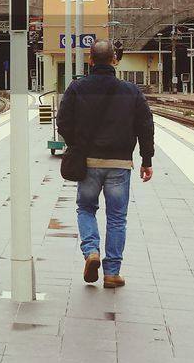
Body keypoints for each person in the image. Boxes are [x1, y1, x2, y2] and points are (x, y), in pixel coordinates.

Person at [56, 40, 155, 288]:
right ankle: (112, 273)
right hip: (120, 163)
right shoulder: (131, 91)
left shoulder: (77, 88)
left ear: (90, 60)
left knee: (86, 209)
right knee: (117, 218)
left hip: (88, 162)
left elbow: (63, 121)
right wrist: (146, 160)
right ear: (114, 60)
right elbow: (146, 127)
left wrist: (75, 145)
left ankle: (91, 251)